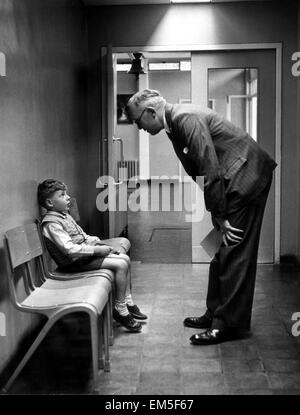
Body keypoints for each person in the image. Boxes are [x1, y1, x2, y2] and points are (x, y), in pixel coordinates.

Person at [126, 89, 277, 345]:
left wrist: (220, 214)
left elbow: (209, 166)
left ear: (150, 112)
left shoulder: (185, 119)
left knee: (234, 251)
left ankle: (228, 325)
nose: (138, 127)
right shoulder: (174, 124)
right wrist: (218, 212)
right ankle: (215, 313)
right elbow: (201, 169)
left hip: (245, 179)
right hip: (233, 180)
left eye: (137, 120)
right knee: (220, 250)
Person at [37, 179, 147, 333]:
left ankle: (127, 301)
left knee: (125, 258)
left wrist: (98, 243)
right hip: (73, 263)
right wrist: (96, 251)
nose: (68, 197)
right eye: (62, 195)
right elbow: (69, 249)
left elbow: (82, 236)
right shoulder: (51, 224)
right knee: (120, 264)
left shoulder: (64, 215)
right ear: (49, 202)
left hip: (83, 257)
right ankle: (120, 309)